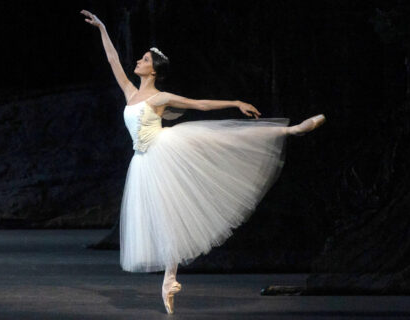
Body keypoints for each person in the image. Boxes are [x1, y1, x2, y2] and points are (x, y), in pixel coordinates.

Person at [81, 10, 325, 314]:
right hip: (142, 161)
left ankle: (290, 129)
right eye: (140, 58)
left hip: (164, 150)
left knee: (224, 141)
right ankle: (170, 280)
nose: (138, 62)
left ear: (153, 70)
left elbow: (200, 105)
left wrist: (235, 102)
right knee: (163, 217)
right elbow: (113, 60)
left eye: (144, 60)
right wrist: (103, 28)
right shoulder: (130, 93)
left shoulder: (159, 98)